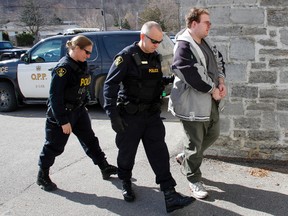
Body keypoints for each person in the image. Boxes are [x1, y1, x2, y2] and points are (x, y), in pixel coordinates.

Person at [103, 21, 194, 213]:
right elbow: (109, 86)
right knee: (127, 153)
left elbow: (153, 81)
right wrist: (112, 115)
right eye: (154, 41)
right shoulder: (126, 57)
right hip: (131, 116)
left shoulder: (155, 57)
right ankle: (126, 181)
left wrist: (170, 80)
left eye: (160, 42)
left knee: (159, 154)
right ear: (143, 37)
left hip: (151, 115)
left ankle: (170, 194)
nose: (157, 45)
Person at [37, 35, 117, 192]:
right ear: (75, 48)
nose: (88, 56)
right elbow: (55, 97)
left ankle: (104, 167)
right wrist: (62, 121)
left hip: (78, 111)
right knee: (54, 146)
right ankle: (42, 176)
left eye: (90, 53)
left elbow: (83, 86)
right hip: (63, 114)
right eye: (86, 52)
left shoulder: (81, 64)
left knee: (90, 140)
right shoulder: (63, 69)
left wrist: (84, 102)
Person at [168, 7, 227, 199]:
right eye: (206, 22)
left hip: (210, 100)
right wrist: (213, 90)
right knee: (194, 142)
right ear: (194, 24)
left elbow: (219, 61)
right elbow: (190, 73)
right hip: (191, 103)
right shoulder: (184, 46)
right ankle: (193, 179)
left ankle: (186, 158)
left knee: (213, 133)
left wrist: (222, 82)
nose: (210, 25)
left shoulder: (206, 42)